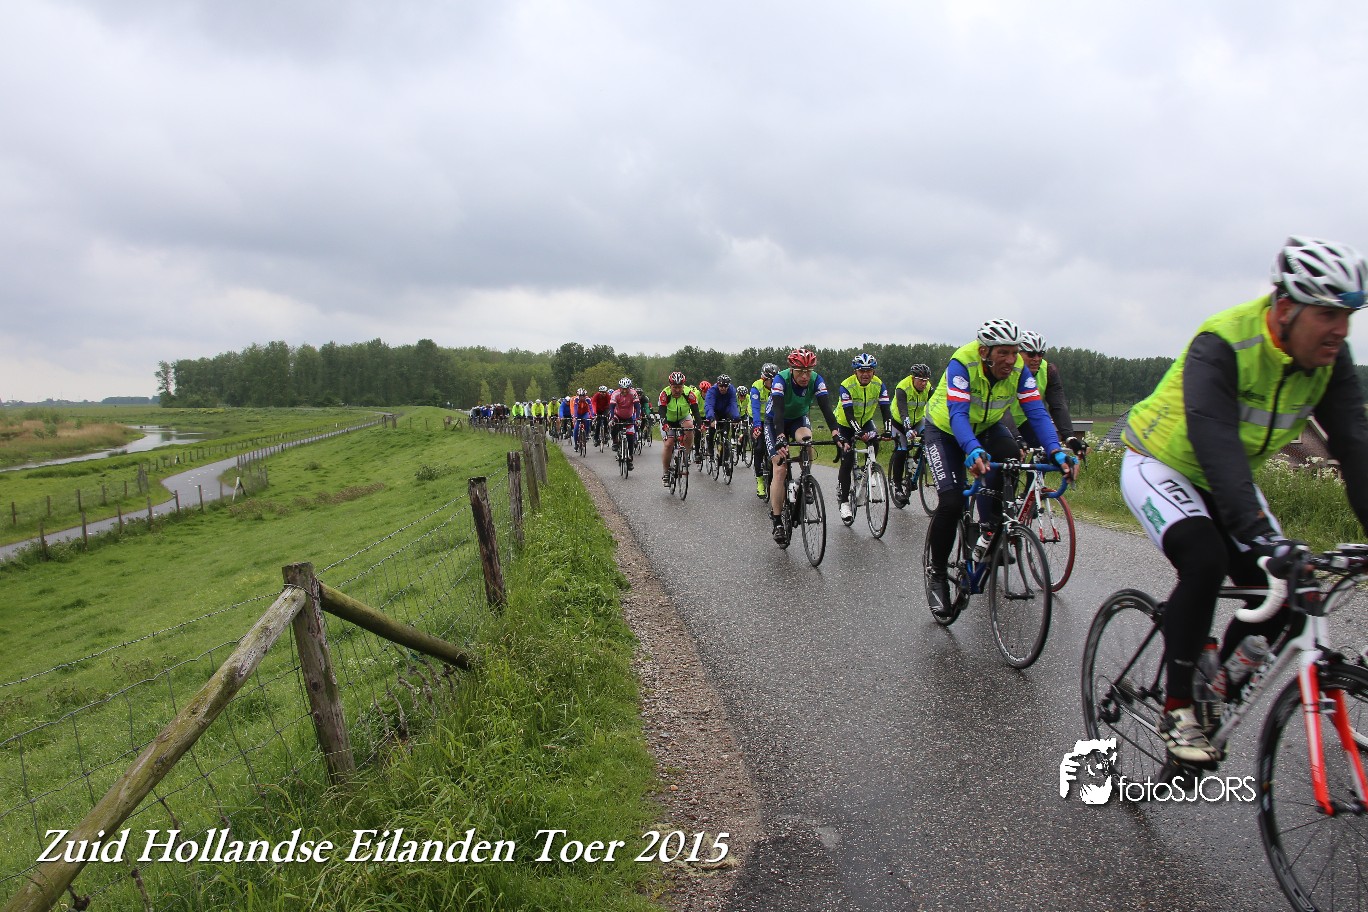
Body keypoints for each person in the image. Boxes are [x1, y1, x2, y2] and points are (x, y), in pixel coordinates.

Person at [1120, 236, 1368, 766]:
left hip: (1228, 478)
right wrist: (1260, 536)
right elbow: (1216, 443)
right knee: (1205, 559)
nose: (1340, 331)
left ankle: (1217, 686)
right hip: (1159, 463)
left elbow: (1355, 446)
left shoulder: (1328, 359)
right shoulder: (1224, 343)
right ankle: (1179, 707)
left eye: (1349, 316)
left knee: (1292, 592)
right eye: (1328, 314)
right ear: (1286, 307)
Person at [923, 320, 1078, 617]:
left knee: (1009, 458)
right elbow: (958, 413)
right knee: (952, 501)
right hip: (945, 431)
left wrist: (1056, 450)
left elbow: (1037, 412)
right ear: (985, 352)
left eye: (1015, 352)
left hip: (986, 427)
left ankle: (990, 528)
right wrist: (971, 449)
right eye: (1003, 353)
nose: (1011, 360)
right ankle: (937, 574)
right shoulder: (963, 362)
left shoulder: (1019, 369)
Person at [765, 349, 842, 543]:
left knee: (807, 440)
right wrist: (781, 437)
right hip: (775, 422)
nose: (805, 376)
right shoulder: (780, 380)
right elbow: (778, 412)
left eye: (808, 371)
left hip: (798, 419)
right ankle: (777, 521)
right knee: (780, 469)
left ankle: (805, 479)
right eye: (800, 371)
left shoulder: (817, 380)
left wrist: (835, 433)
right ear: (791, 369)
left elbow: (826, 408)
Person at [834, 353, 895, 523]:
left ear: (874, 371)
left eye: (869, 370)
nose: (866, 374)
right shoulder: (846, 385)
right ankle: (844, 503)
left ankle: (868, 470)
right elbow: (849, 414)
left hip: (866, 420)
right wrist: (859, 432)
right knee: (847, 460)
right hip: (844, 423)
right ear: (855, 372)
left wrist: (888, 430)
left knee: (874, 442)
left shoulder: (879, 385)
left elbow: (886, 410)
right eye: (862, 371)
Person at [1004, 331, 1084, 455]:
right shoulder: (1005, 369)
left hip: (1026, 420)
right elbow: (1001, 407)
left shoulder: (1048, 370)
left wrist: (1069, 436)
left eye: (1041, 354)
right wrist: (1016, 436)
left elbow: (1058, 405)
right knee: (1007, 453)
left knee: (1046, 450)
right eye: (1031, 354)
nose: (1037, 359)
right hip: (1002, 419)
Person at [890, 363, 932, 504]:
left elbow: (935, 407)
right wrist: (907, 429)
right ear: (913, 378)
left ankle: (914, 461)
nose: (923, 383)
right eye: (920, 380)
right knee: (901, 450)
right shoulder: (902, 387)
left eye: (926, 380)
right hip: (899, 422)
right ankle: (897, 487)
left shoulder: (929, 388)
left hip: (918, 420)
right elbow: (903, 411)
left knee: (930, 437)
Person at [658, 372, 701, 485]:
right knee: (669, 444)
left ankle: (685, 454)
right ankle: (666, 472)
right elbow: (662, 412)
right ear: (670, 386)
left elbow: (696, 412)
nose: (677, 390)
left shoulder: (689, 393)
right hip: (668, 420)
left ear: (683, 386)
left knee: (690, 427)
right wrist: (664, 423)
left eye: (680, 387)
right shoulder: (664, 394)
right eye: (675, 387)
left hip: (683, 417)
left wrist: (700, 424)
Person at [749, 363, 779, 498]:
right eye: (770, 380)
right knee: (760, 447)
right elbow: (755, 408)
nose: (773, 383)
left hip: (772, 419)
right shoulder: (756, 387)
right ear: (764, 379)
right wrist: (757, 426)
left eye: (774, 380)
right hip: (758, 419)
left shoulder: (778, 387)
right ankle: (760, 481)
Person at [704, 374, 741, 465]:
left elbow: (733, 404)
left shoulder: (731, 390)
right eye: (721, 386)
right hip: (715, 412)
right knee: (712, 430)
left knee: (725, 436)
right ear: (717, 385)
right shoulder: (712, 391)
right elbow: (709, 405)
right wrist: (711, 418)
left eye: (725, 386)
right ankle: (710, 449)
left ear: (728, 386)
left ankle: (725, 458)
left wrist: (736, 418)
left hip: (725, 412)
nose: (723, 388)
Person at [607, 377, 641, 467]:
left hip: (629, 417)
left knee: (630, 437)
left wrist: (638, 419)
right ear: (620, 388)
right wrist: (611, 418)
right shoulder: (615, 394)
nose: (625, 391)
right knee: (614, 425)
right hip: (617, 415)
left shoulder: (633, 393)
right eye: (623, 389)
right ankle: (615, 441)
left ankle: (630, 457)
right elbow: (611, 407)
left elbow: (637, 407)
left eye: (627, 389)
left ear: (630, 388)